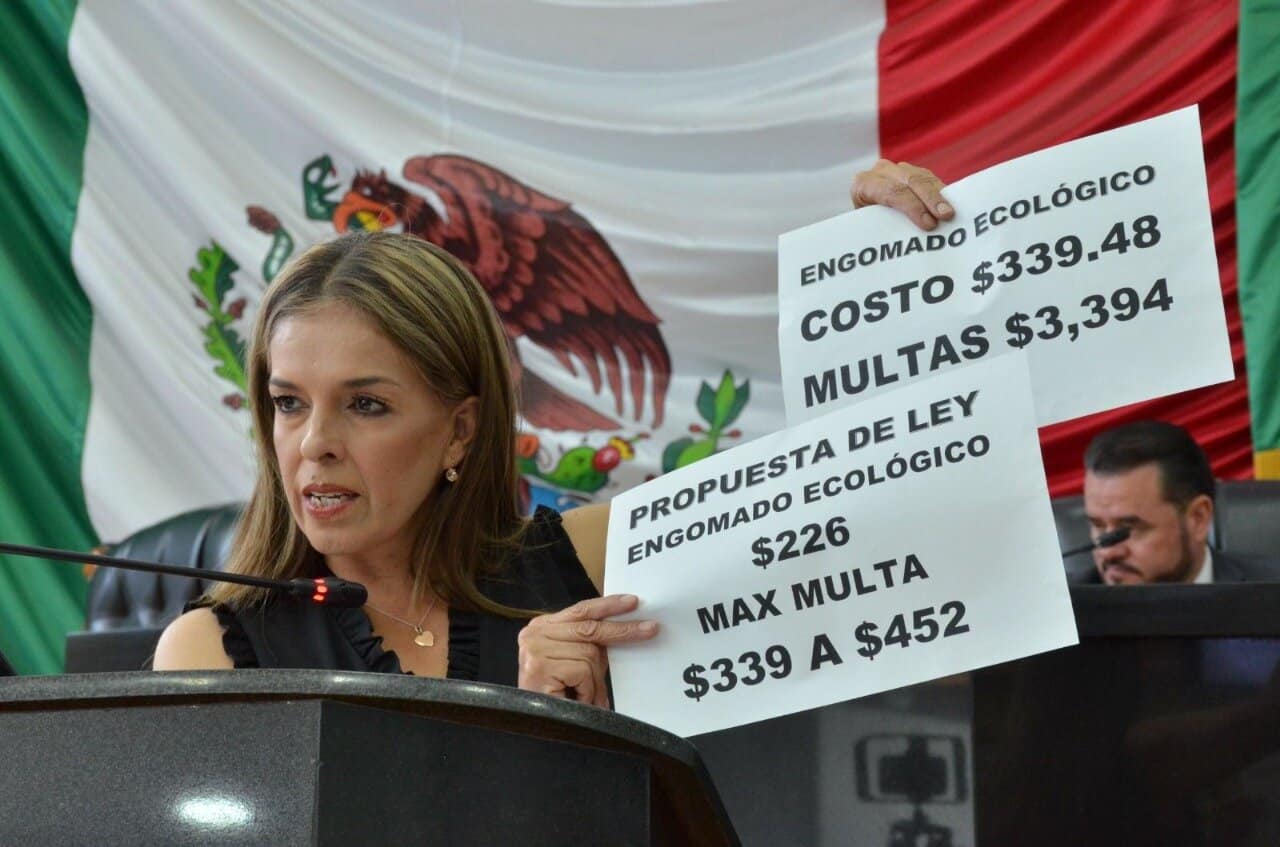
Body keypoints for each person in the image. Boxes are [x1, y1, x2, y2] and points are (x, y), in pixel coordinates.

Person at [154, 160, 954, 705]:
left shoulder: (594, 561)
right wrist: (535, 728)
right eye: (289, 403)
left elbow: (853, 507)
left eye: (366, 405)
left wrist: (887, 280)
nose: (313, 444)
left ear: (461, 430)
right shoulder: (210, 652)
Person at [1078, 420, 1277, 584]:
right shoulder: (1068, 605)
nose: (1108, 552)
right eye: (1098, 526)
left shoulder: (1271, 595)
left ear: (1198, 518)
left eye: (1128, 529)